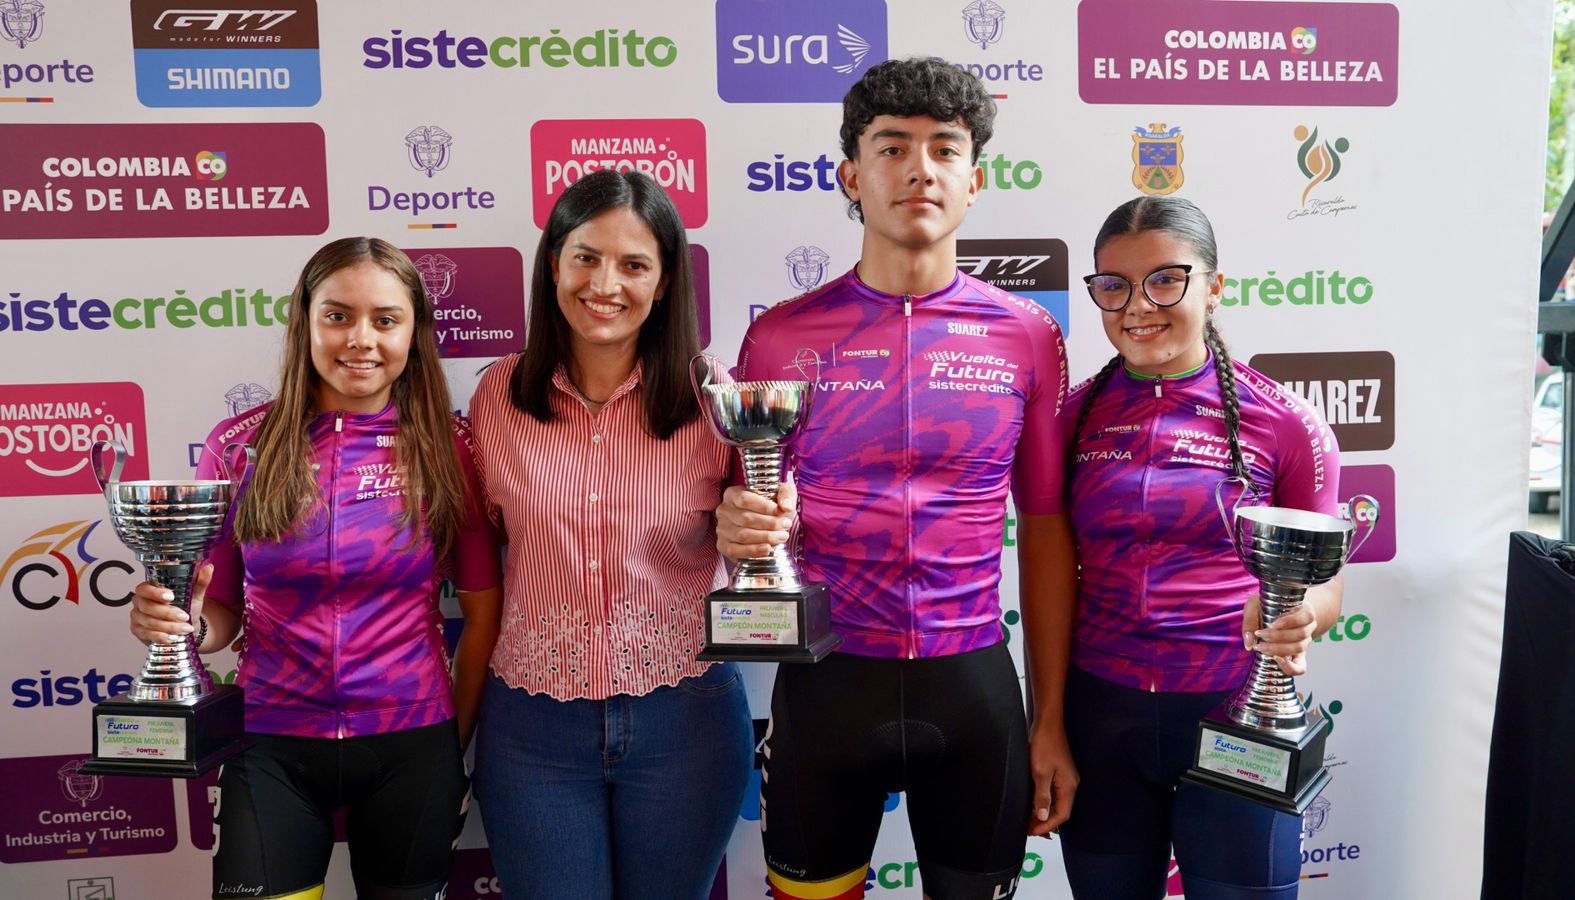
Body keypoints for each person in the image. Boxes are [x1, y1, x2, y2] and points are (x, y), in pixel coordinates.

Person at [716, 57, 1073, 900]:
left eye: (945, 149)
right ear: (852, 175)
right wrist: (739, 529)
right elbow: (750, 523)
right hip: (827, 690)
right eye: (892, 148)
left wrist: (1050, 720)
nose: (921, 169)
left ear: (975, 180)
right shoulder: (780, 339)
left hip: (974, 691)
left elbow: (1046, 528)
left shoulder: (1027, 335)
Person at [128, 236, 504, 900]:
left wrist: (453, 742)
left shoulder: (449, 446)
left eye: (385, 319)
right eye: (337, 315)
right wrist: (179, 628)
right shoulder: (239, 446)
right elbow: (219, 613)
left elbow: (482, 611)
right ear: (305, 322)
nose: (360, 339)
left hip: (412, 743)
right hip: (269, 741)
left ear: (413, 333)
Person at [467, 169, 751, 900]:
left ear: (665, 281)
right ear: (553, 264)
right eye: (586, 257)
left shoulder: (713, 397)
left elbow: (770, 545)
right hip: (533, 727)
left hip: (686, 717)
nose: (605, 284)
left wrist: (761, 526)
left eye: (634, 264)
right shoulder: (497, 395)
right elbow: (471, 557)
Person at [1056, 195, 1343, 899]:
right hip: (1101, 720)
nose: (1137, 305)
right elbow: (1047, 569)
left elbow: (1327, 582)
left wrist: (1300, 614)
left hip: (1238, 713)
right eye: (1114, 285)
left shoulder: (1287, 423)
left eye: (1165, 279)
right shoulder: (1070, 418)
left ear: (1215, 287)